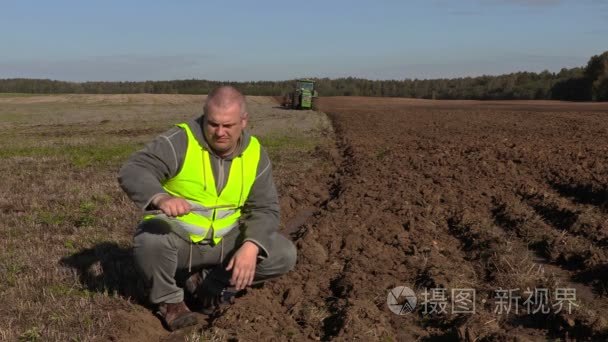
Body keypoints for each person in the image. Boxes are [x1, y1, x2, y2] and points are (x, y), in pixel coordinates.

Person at [118, 86, 297, 331]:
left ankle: (210, 284)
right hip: (181, 240)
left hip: (224, 241)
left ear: (244, 122)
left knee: (282, 253)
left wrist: (251, 246)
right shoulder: (180, 141)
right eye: (213, 124)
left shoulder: (255, 153)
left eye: (228, 126)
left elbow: (265, 208)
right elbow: (134, 169)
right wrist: (160, 197)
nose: (220, 132)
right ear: (204, 115)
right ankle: (170, 302)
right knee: (150, 238)